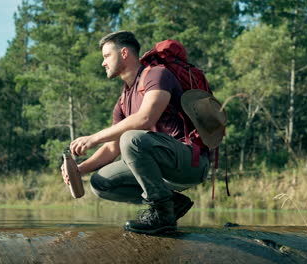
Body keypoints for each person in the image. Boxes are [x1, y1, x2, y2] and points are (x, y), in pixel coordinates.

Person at [61, 31, 211, 235]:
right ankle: (171, 203)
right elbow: (113, 147)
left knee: (131, 139)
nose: (103, 63)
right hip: (162, 168)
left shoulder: (156, 75)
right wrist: (80, 169)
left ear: (124, 53)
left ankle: (162, 213)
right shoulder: (123, 100)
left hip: (189, 162)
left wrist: (93, 138)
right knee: (100, 183)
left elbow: (145, 118)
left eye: (106, 56)